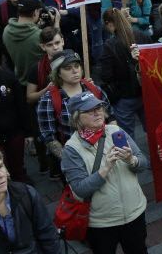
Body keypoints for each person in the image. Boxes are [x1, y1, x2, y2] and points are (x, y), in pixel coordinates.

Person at [60, 92, 162, 254]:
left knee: (139, 251)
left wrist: (131, 160)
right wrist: (104, 169)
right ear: (77, 117)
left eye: (99, 108)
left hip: (133, 210)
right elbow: (80, 189)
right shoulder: (72, 149)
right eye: (90, 111)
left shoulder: (116, 132)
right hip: (101, 220)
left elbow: (143, 162)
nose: (97, 113)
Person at [36, 50, 109, 178]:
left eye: (77, 66)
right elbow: (49, 137)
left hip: (105, 151)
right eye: (68, 68)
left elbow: (111, 116)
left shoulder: (93, 89)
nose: (75, 71)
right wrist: (71, 161)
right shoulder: (49, 99)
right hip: (75, 159)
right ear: (58, 73)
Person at [98, 9, 144, 138]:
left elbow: (106, 75)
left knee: (127, 137)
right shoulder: (141, 35)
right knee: (153, 129)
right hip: (145, 92)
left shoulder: (109, 45)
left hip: (124, 97)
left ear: (109, 24)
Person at [2, 0, 46, 88]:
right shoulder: (39, 35)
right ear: (35, 12)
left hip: (20, 81)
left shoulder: (7, 30)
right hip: (39, 84)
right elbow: (56, 53)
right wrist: (56, 25)